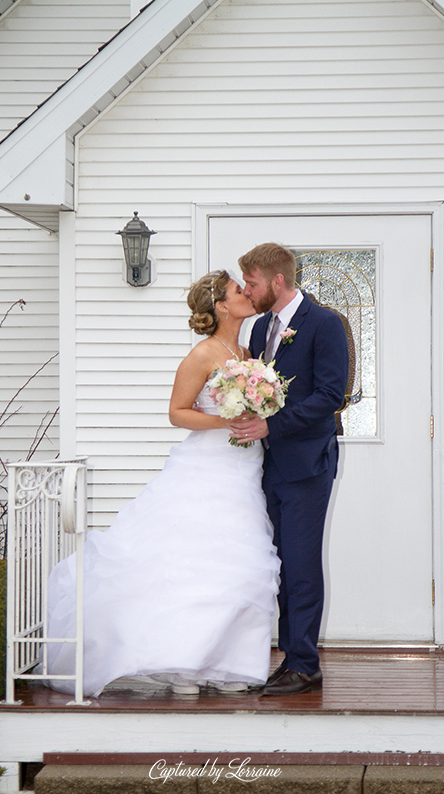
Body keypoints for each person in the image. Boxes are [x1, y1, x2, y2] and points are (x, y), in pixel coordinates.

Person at [44, 270, 280, 698]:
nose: (246, 294)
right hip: (206, 467)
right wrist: (224, 420)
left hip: (243, 470)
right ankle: (183, 666)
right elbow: (176, 412)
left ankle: (225, 663)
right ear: (222, 306)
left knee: (237, 562)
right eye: (237, 290)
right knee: (192, 562)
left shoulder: (246, 350)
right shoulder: (202, 354)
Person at [230, 243, 349, 696]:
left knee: (300, 564)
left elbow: (328, 398)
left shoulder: (325, 324)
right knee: (278, 564)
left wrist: (270, 425)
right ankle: (291, 656)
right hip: (269, 467)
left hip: (307, 466)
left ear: (277, 282)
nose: (248, 290)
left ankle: (305, 664)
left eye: (253, 283)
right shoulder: (262, 328)